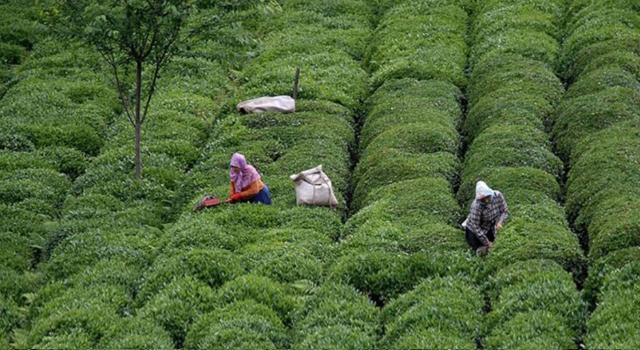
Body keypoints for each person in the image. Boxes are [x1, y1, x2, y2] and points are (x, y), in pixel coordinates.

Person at [464, 181, 508, 256]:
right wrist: (487, 242)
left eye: (487, 197)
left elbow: (504, 211)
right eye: (483, 199)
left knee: (492, 247)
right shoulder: (476, 206)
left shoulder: (498, 195)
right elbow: (476, 227)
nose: (486, 201)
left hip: (488, 226)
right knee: (479, 250)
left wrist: (500, 222)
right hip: (474, 231)